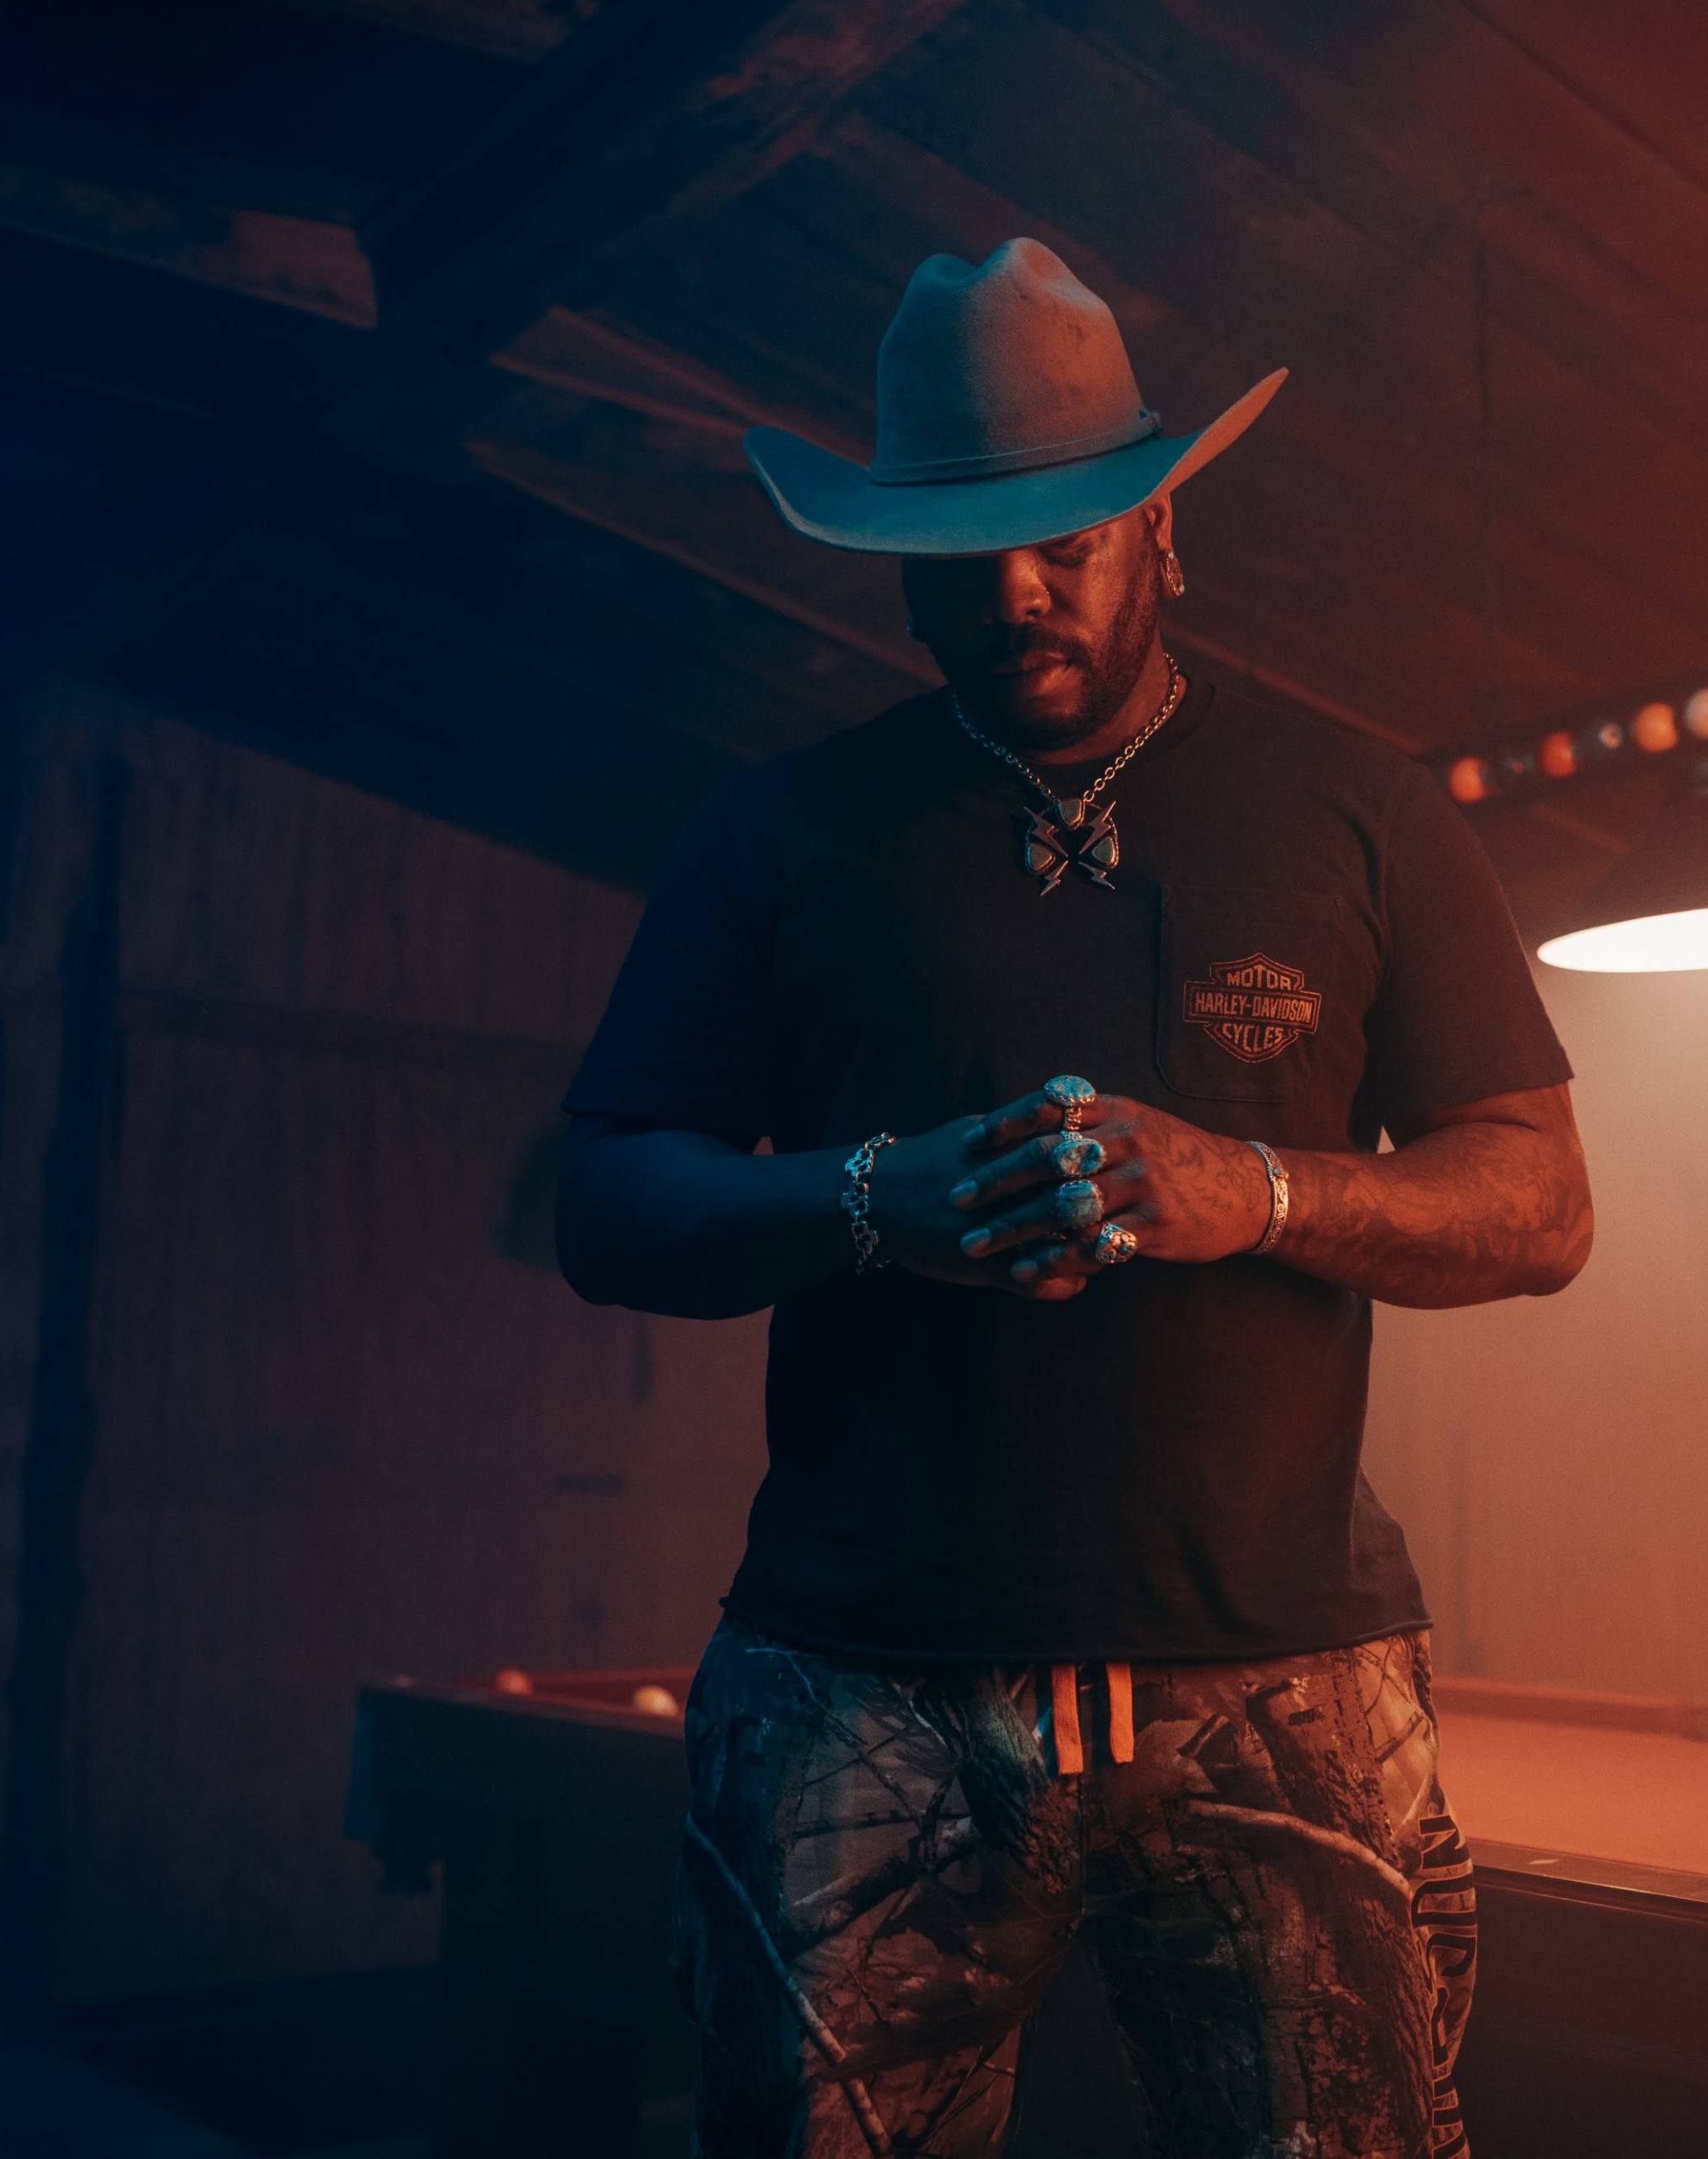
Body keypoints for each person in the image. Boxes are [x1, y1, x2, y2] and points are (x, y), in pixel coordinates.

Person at [556, 237, 1592, 2159]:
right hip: (861, 1675)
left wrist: (1255, 1186)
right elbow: (607, 1203)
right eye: (959, 552)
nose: (1015, 591)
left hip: (1285, 1664)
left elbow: (1539, 1204)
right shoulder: (776, 833)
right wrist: (877, 1194)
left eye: (1067, 540)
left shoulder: (1360, 806)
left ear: (1161, 521)